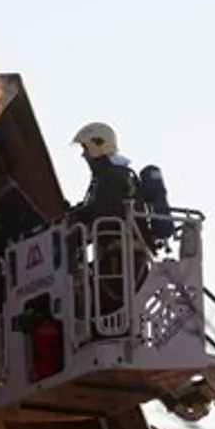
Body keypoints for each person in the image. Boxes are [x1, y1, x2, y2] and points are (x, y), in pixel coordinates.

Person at [65, 122, 149, 325]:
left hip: (119, 265)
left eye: (85, 148)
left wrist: (72, 234)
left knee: (82, 307)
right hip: (121, 263)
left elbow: (102, 213)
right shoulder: (113, 176)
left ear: (98, 144)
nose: (83, 155)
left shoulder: (113, 178)